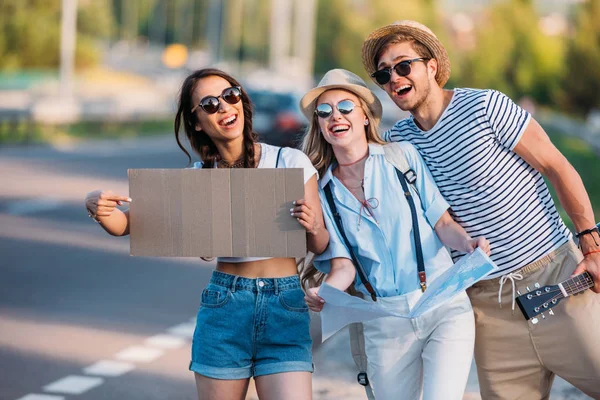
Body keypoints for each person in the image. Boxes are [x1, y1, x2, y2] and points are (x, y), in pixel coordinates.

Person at [361, 20, 600, 399]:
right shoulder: (397, 143)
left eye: (403, 65)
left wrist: (592, 246)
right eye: (383, 73)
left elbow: (556, 166)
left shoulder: (485, 106)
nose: (394, 78)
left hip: (557, 280)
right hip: (487, 307)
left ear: (431, 66)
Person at [84, 68, 329, 400]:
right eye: (210, 104)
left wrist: (314, 224)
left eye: (231, 95)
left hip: (284, 304)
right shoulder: (198, 179)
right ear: (197, 121)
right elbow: (127, 224)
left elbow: (320, 243)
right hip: (226, 307)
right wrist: (97, 205)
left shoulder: (289, 160)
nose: (225, 108)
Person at [299, 68, 490, 400]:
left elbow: (443, 225)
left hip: (442, 302)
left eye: (345, 107)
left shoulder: (401, 158)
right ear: (319, 125)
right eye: (324, 112)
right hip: (384, 321)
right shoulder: (323, 191)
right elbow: (344, 266)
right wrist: (323, 293)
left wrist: (470, 243)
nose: (335, 117)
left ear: (364, 116)